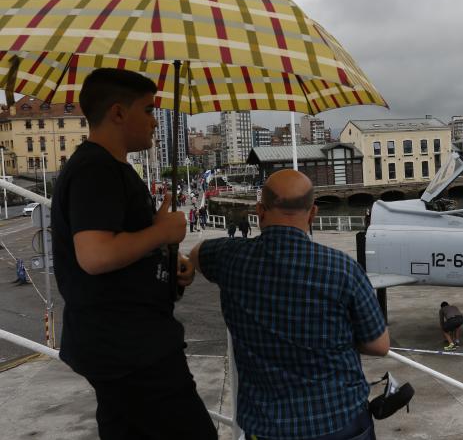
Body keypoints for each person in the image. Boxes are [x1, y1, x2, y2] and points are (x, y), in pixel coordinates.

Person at [50, 68, 216, 439]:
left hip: (121, 345)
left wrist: (167, 256)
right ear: (118, 113)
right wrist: (161, 231)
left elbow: (120, 245)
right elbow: (95, 255)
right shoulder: (97, 170)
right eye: (147, 109)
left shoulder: (108, 168)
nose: (155, 122)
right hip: (130, 350)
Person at [187, 169, 388, 440]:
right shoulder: (342, 268)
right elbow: (379, 344)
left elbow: (196, 254)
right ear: (313, 213)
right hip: (339, 420)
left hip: (268, 427)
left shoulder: (229, 258)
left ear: (260, 211)